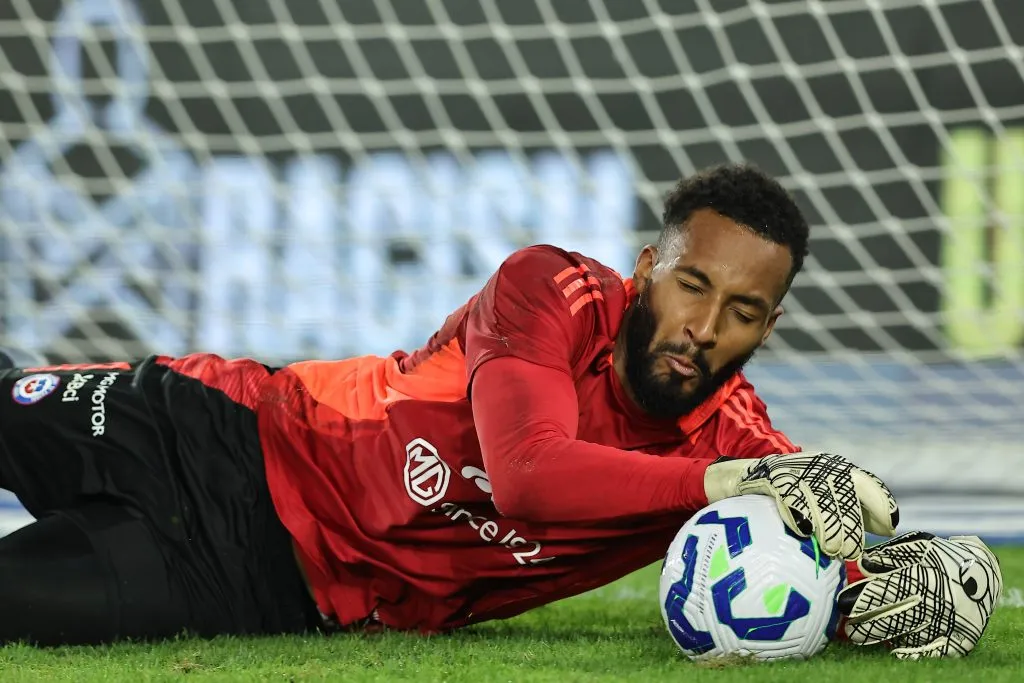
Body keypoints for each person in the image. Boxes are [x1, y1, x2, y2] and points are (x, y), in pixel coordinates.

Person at [0, 164, 1000, 657]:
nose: (704, 325)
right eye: (691, 285)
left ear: (766, 327)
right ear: (646, 269)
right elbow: (528, 468)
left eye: (740, 311)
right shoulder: (550, 289)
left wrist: (909, 585)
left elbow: (825, 560)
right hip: (209, 422)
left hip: (254, 578)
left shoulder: (742, 450)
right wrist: (730, 479)